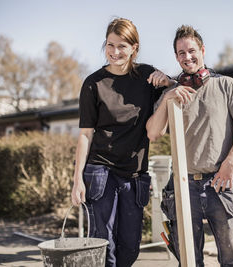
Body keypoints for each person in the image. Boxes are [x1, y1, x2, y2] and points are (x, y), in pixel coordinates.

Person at [146, 25, 233, 267]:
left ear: (203, 50)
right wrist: (167, 97)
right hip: (183, 185)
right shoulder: (172, 94)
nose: (187, 57)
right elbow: (153, 133)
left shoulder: (226, 85)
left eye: (192, 51)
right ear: (176, 56)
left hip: (221, 182)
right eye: (181, 53)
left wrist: (230, 163)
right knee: (189, 261)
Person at [70, 18, 174, 267]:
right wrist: (77, 180)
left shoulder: (147, 76)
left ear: (134, 48)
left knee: (130, 247)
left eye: (122, 46)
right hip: (100, 171)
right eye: (110, 45)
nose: (115, 52)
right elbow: (85, 134)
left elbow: (175, 91)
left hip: (135, 174)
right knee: (103, 244)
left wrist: (167, 80)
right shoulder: (93, 83)